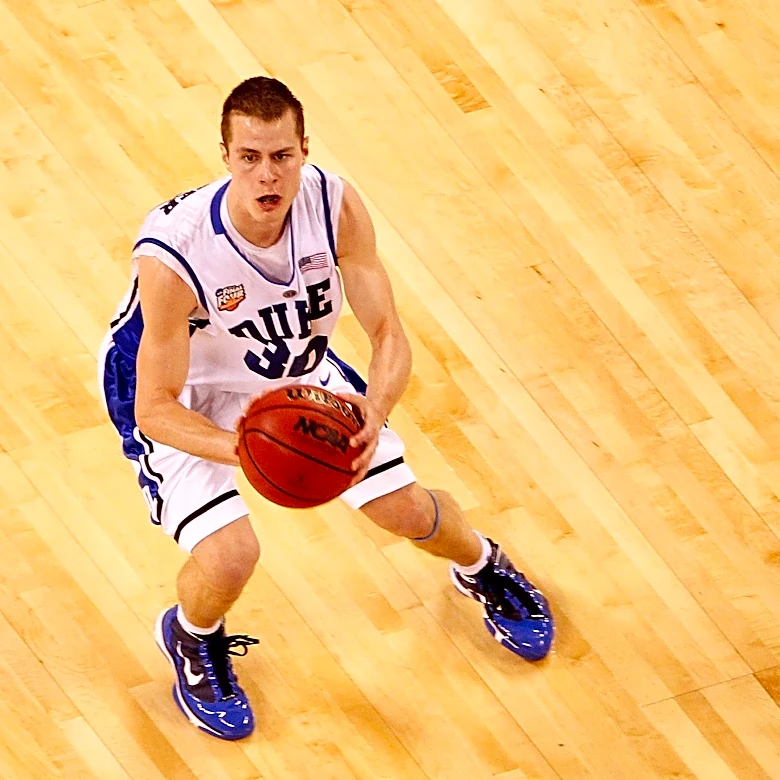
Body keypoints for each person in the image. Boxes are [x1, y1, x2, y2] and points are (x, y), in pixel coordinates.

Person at [99, 77, 554, 741]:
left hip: (285, 374)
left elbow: (389, 334)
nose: (267, 174)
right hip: (182, 392)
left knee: (403, 508)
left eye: (281, 156)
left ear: (304, 150)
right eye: (250, 157)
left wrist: (375, 407)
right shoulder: (175, 252)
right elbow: (154, 408)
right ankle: (193, 639)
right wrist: (246, 447)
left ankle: (483, 564)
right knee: (229, 557)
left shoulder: (335, 206)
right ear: (224, 155)